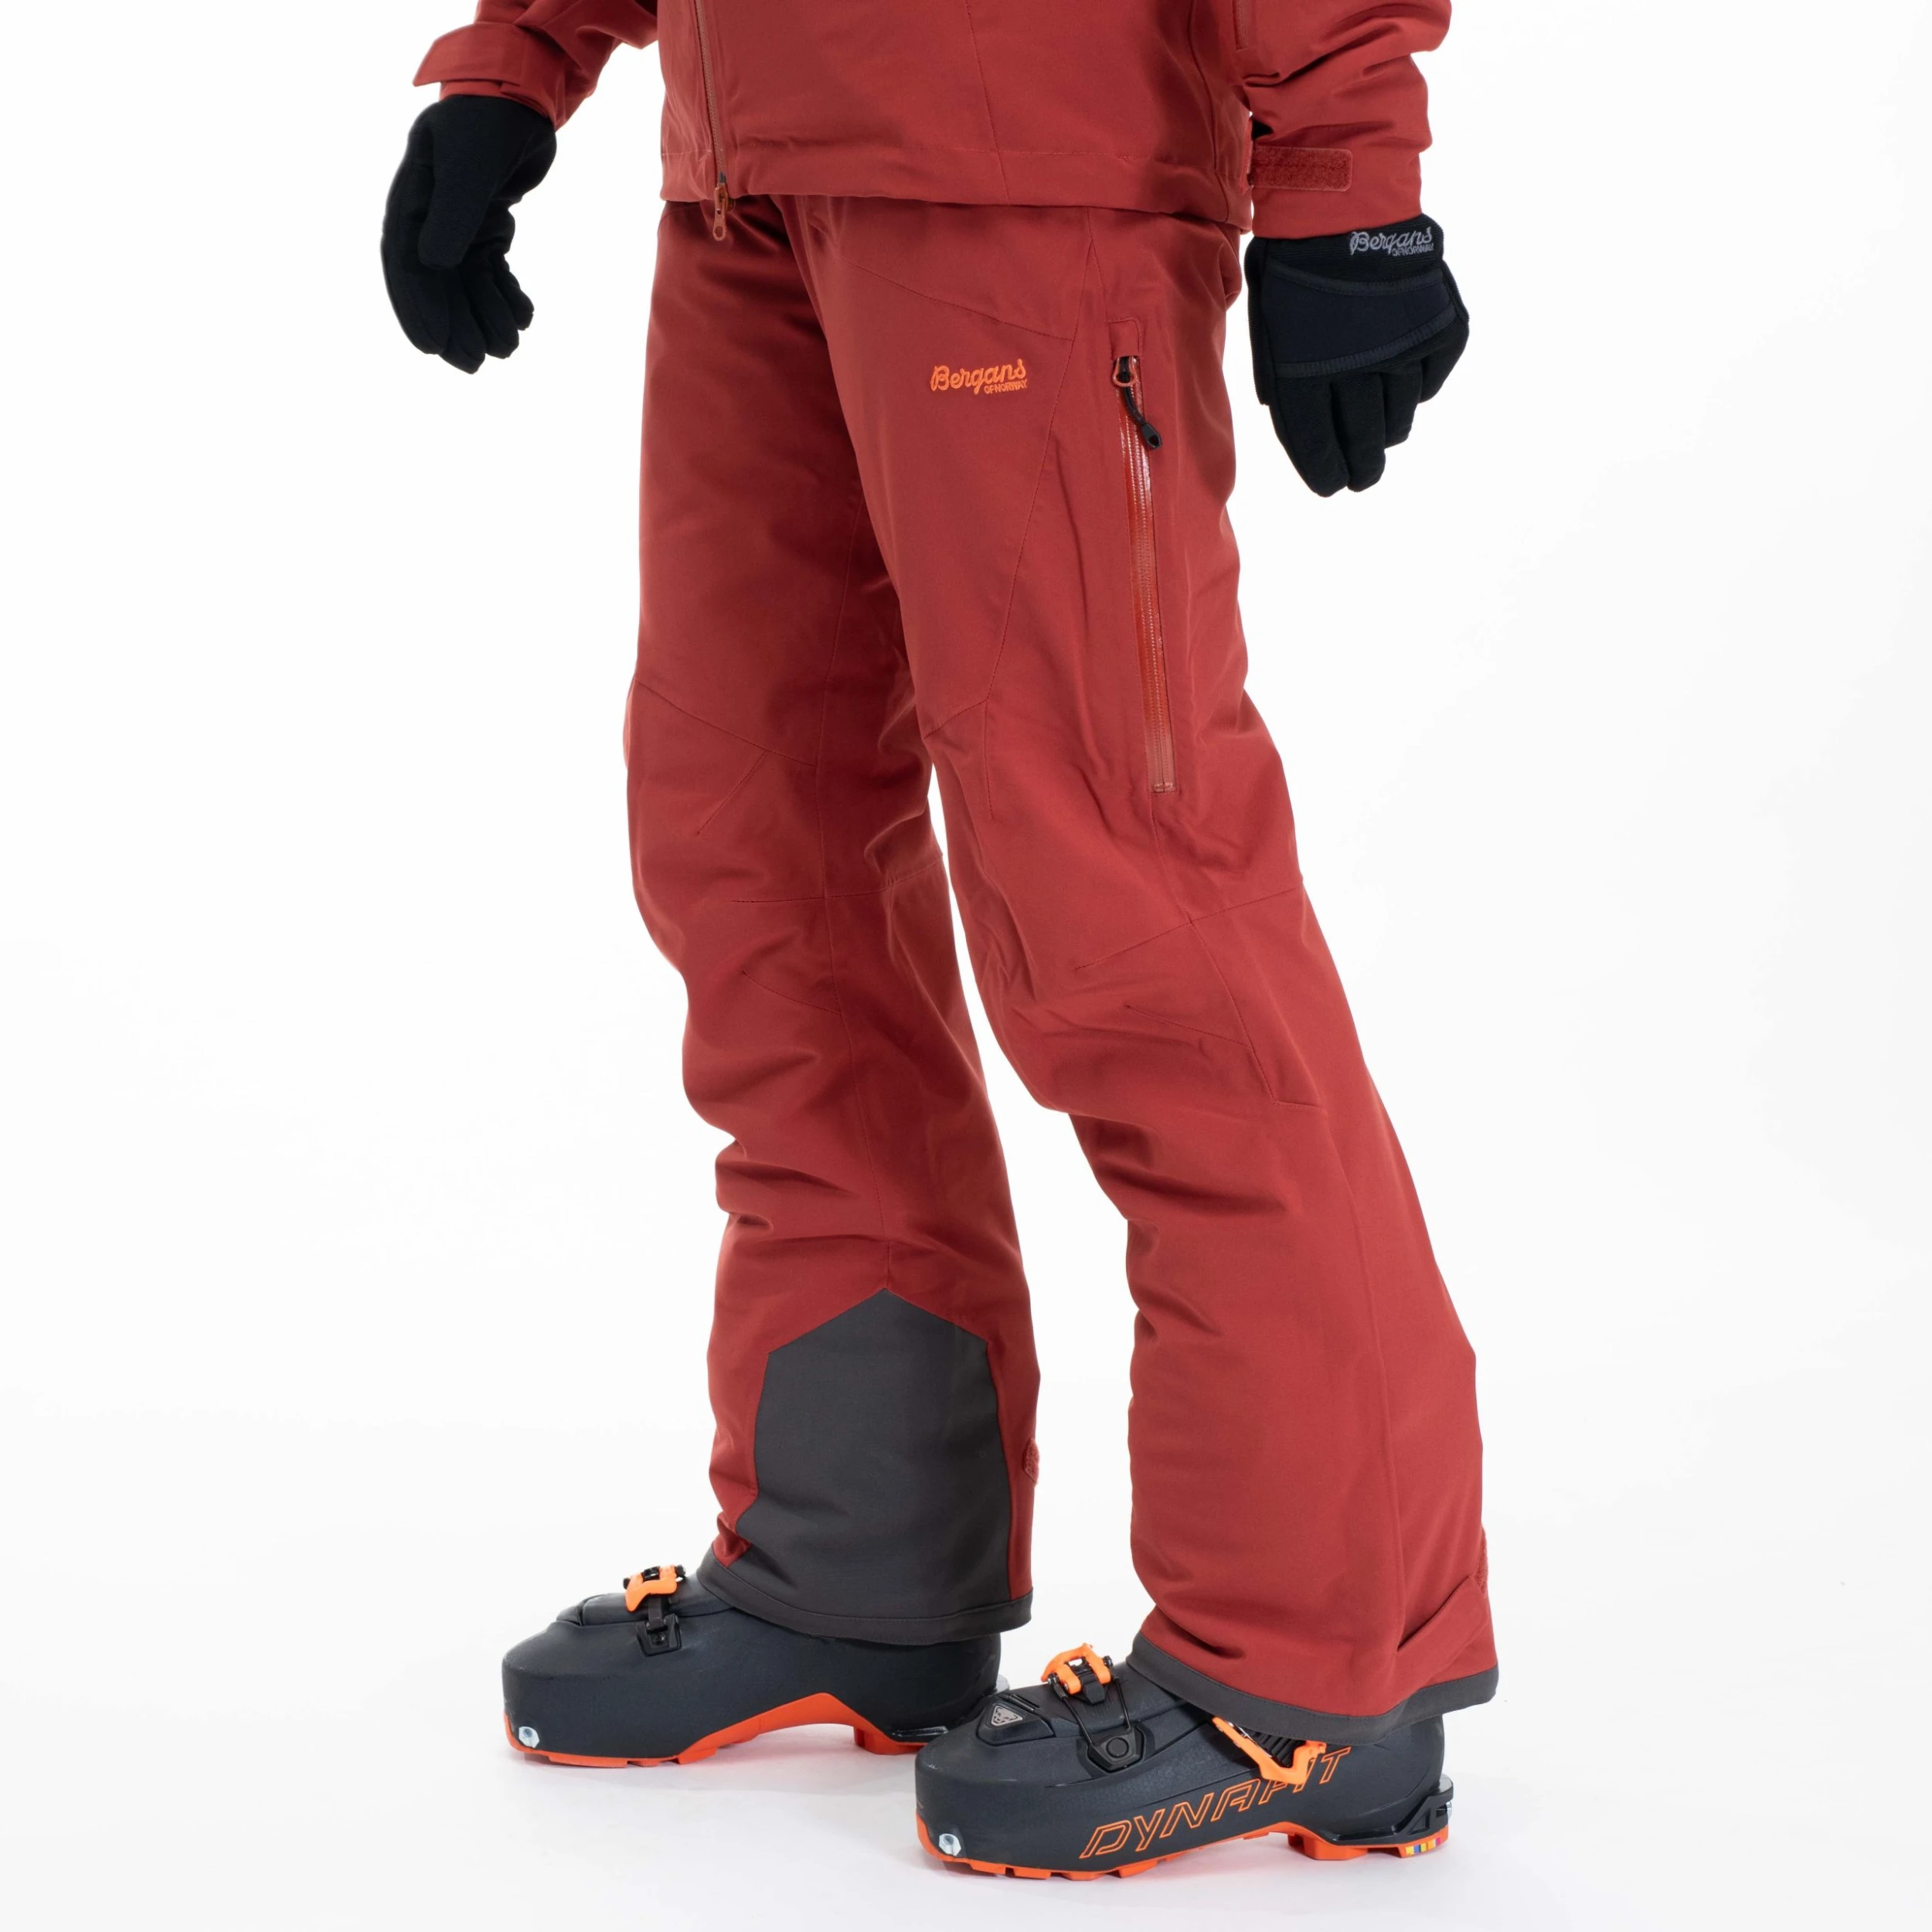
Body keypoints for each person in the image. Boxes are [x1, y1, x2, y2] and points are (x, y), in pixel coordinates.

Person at [382, 0, 1492, 1879]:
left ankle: (1320, 1659)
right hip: (749, 186)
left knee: (1124, 898)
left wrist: (1347, 168)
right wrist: (521, 58)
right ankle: (860, 1565)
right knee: (761, 863)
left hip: (1024, 166)